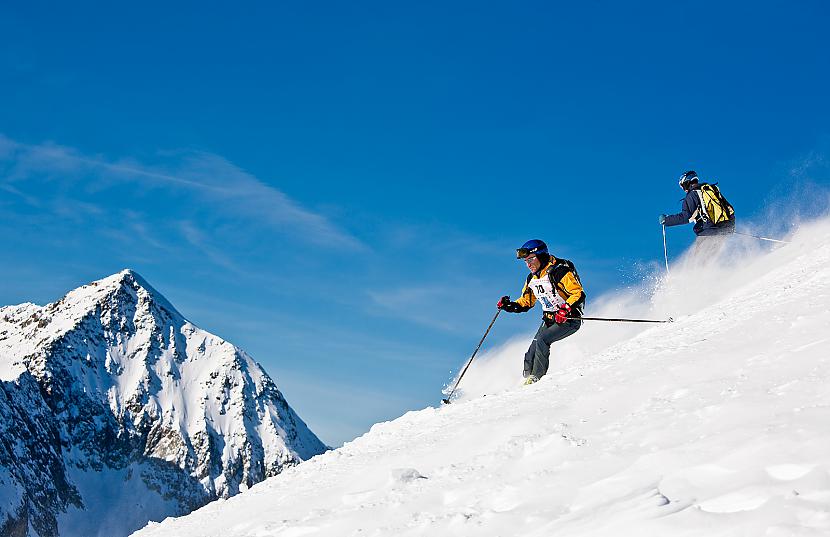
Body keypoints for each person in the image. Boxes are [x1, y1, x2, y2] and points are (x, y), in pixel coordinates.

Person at [497, 239, 585, 385]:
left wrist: (565, 309)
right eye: (526, 261)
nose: (528, 264)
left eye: (531, 259)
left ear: (542, 256)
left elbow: (578, 293)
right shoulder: (532, 278)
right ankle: (524, 380)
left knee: (543, 340)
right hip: (549, 320)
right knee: (530, 353)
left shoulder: (560, 271)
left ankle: (536, 380)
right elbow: (526, 303)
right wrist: (509, 305)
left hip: (569, 319)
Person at [659, 170, 735, 236]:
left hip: (709, 231)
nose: (683, 189)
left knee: (702, 249)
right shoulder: (711, 189)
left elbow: (687, 217)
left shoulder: (693, 194)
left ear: (686, 182)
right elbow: (728, 207)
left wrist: (667, 220)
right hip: (726, 226)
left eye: (682, 186)